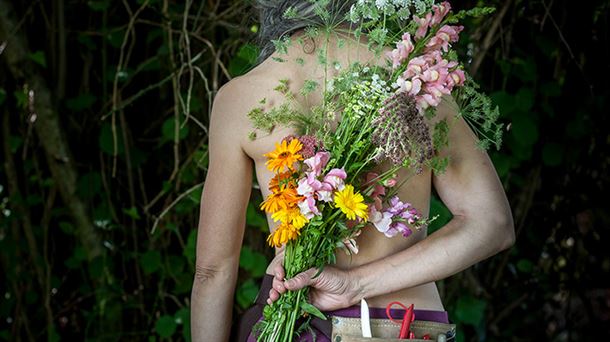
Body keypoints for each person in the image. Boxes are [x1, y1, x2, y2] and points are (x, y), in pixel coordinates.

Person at [190, 2, 516, 341]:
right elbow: (492, 223)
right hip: (407, 327)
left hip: (300, 324)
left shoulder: (243, 97)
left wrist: (349, 284)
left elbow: (212, 273)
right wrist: (357, 285)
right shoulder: (415, 80)